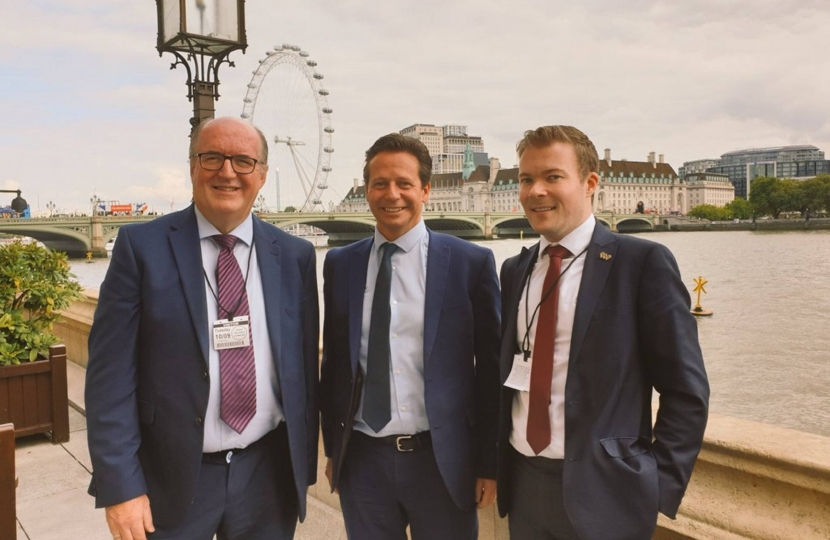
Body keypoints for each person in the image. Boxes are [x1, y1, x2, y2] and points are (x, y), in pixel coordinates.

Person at [85, 117, 320, 540]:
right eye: (212, 157)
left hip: (268, 476)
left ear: (262, 174)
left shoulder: (295, 255)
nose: (227, 172)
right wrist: (120, 487)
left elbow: (303, 369)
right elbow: (109, 379)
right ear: (192, 166)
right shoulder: (141, 249)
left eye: (243, 161)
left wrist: (302, 468)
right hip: (170, 477)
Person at [497, 125, 709, 540]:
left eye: (552, 177)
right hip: (522, 481)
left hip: (607, 492)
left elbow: (686, 390)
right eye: (526, 179)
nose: (535, 191)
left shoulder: (641, 262)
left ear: (591, 183)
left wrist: (654, 487)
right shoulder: (515, 270)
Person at [320, 133, 501, 539]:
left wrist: (488, 463)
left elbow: (490, 372)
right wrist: (335, 449)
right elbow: (335, 364)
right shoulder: (340, 264)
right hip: (363, 461)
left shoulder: (470, 263)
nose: (392, 194)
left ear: (426, 190)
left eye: (404, 183)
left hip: (442, 460)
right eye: (380, 183)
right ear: (367, 190)